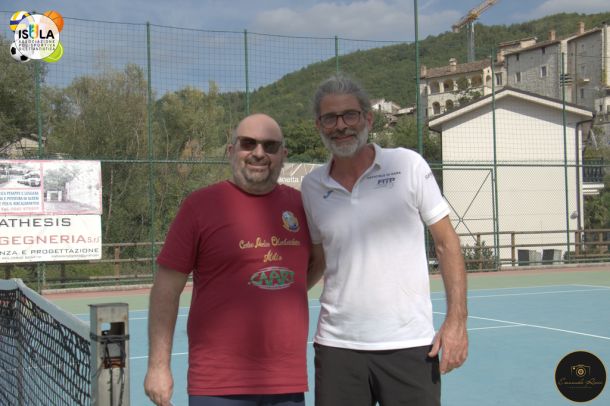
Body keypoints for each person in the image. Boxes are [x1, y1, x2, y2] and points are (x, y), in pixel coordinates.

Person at [301, 74, 468, 406]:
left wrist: (456, 321)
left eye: (350, 115)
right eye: (330, 118)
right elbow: (319, 260)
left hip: (410, 346)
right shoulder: (312, 186)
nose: (341, 126)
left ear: (368, 119)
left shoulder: (407, 165)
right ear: (319, 125)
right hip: (337, 349)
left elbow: (447, 243)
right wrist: (272, 301)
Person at [144, 113, 312, 406]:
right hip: (217, 384)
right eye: (248, 143)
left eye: (270, 146)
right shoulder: (199, 206)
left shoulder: (302, 206)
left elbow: (315, 263)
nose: (259, 153)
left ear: (283, 155)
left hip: (286, 383)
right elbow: (166, 290)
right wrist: (158, 367)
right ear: (231, 151)